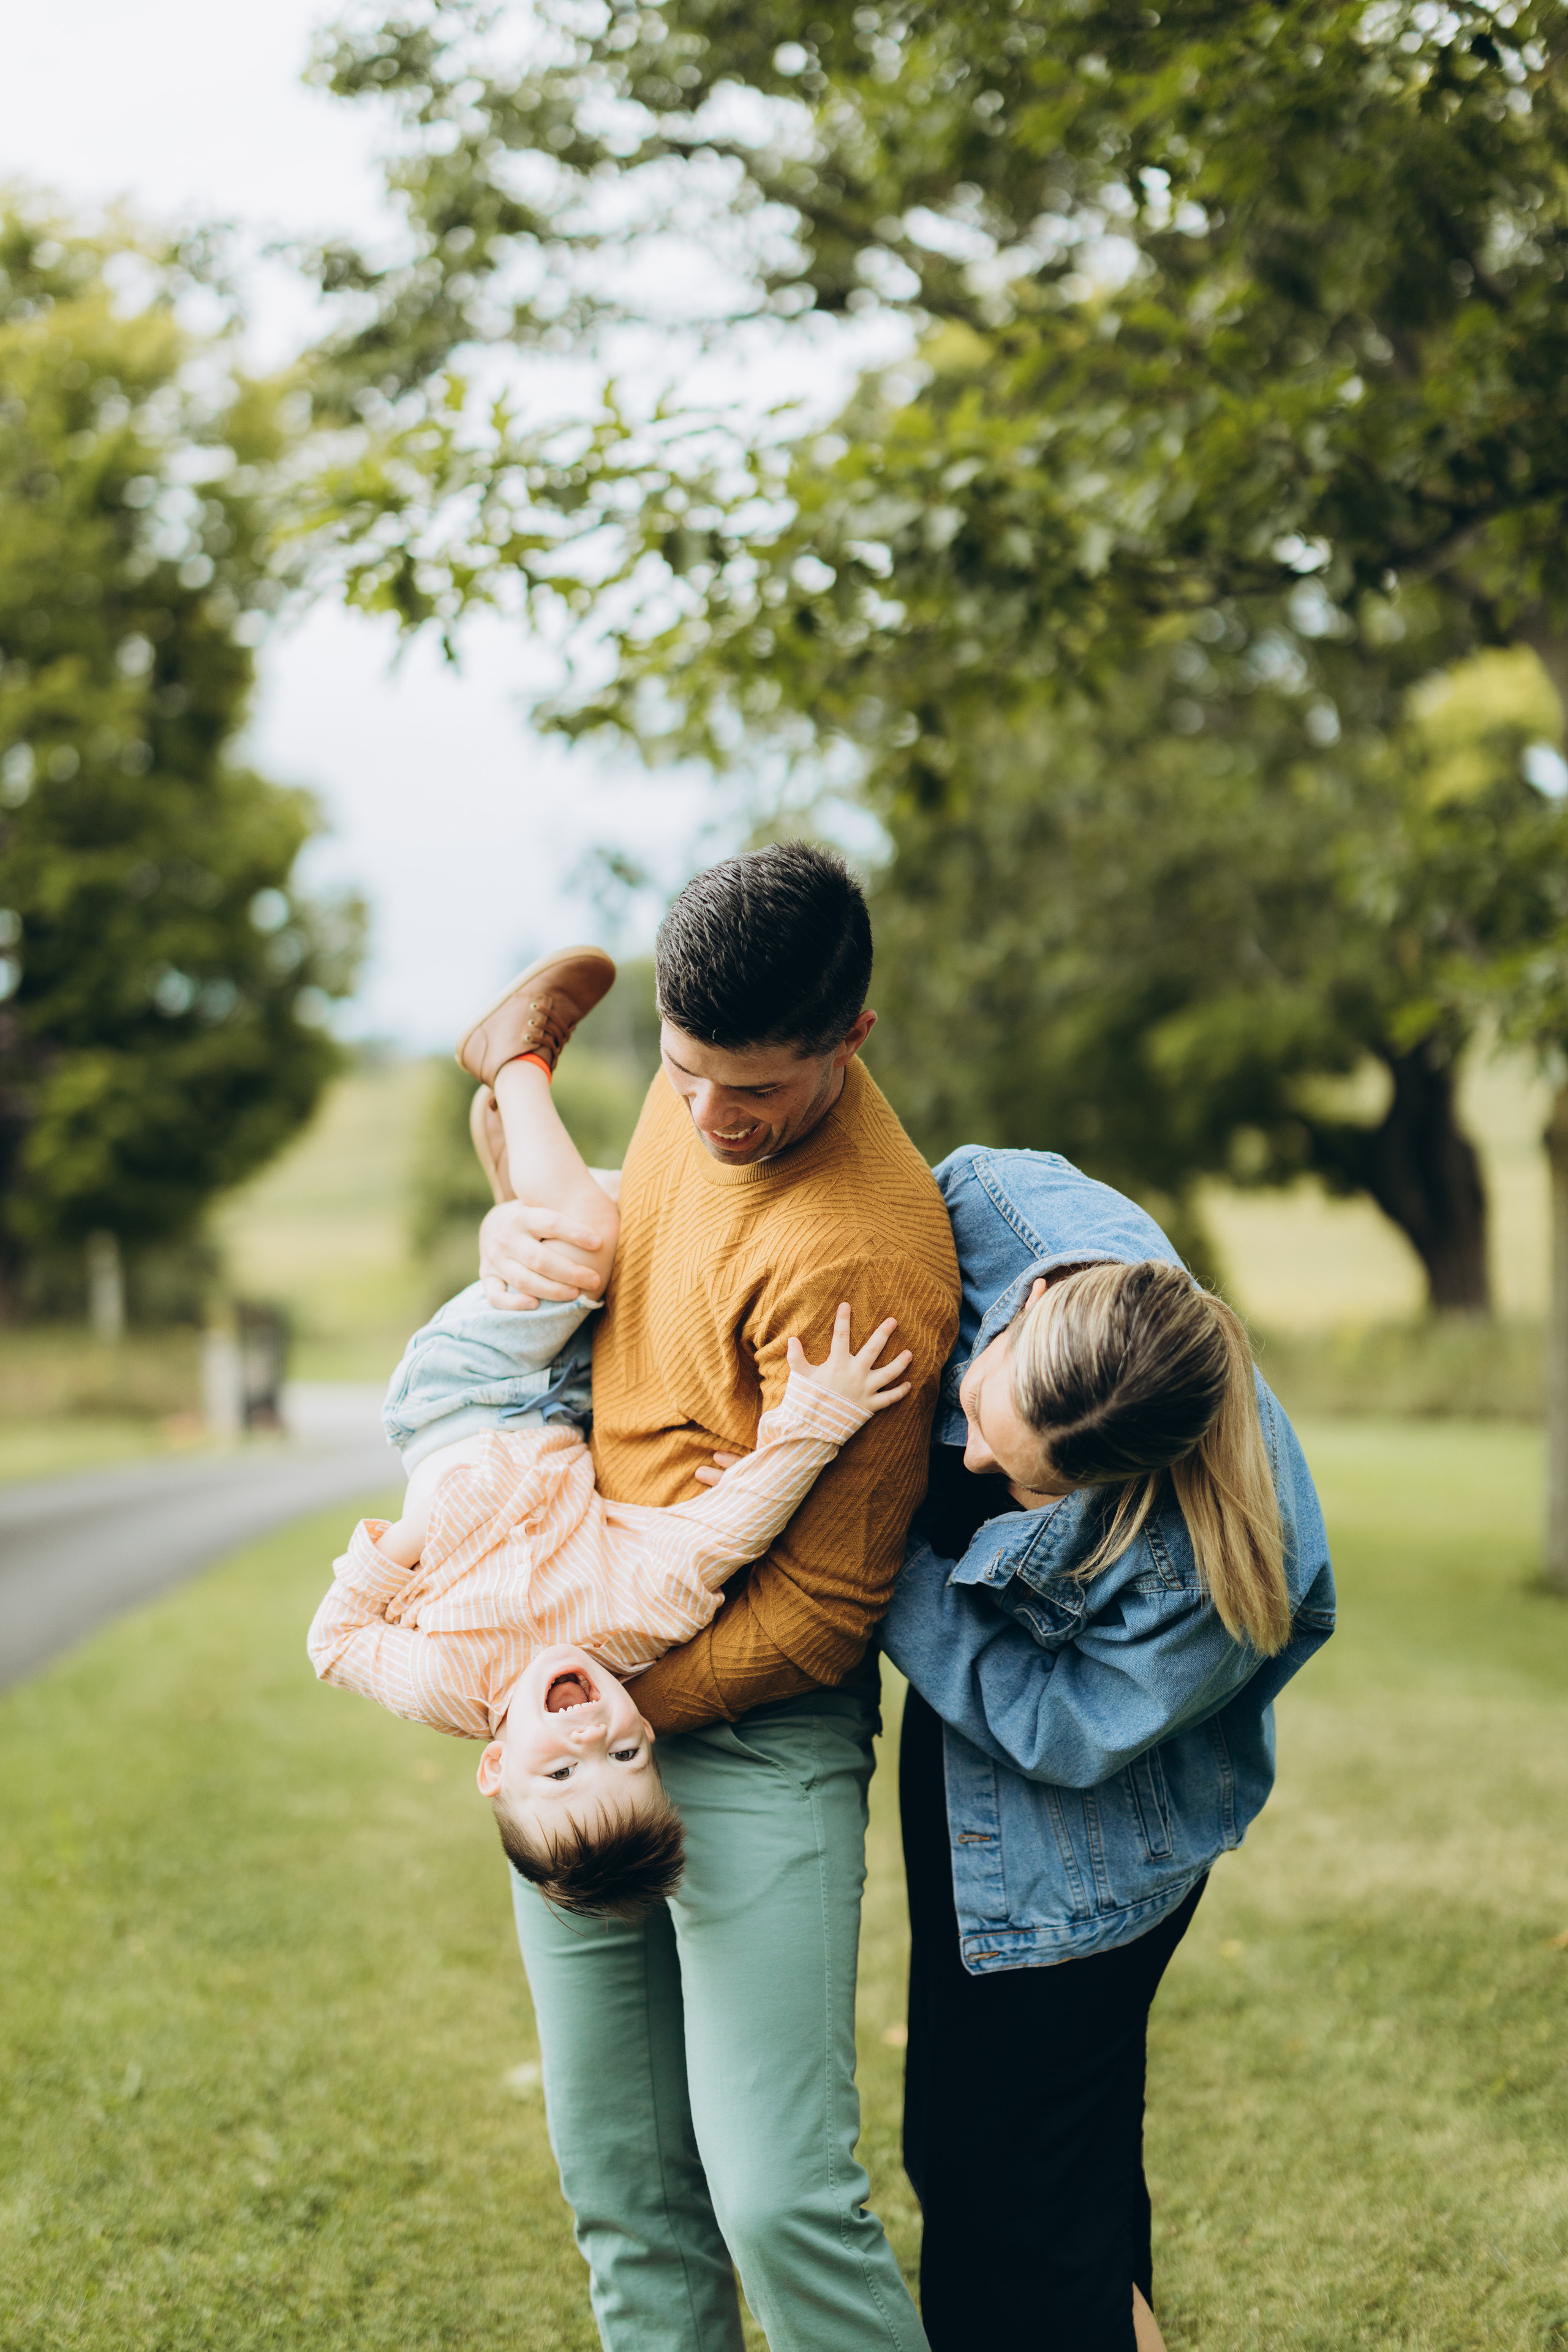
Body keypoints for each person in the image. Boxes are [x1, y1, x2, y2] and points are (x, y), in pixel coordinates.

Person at [476, 845, 961, 2352]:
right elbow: (622, 1280)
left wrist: (590, 1702)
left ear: (849, 1039)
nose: (705, 1117)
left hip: (751, 1728)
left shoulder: (861, 1255)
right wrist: (512, 1231)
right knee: (623, 2187)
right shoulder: (700, 1077)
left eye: (751, 1090)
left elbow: (821, 1615)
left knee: (775, 2200)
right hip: (585, 1693)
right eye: (681, 1073)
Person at [307, 947, 914, 1920]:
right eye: (627, 1754)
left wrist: (403, 1545)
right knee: (647, 1248)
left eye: (560, 1773)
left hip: (464, 1399)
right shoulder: (636, 1621)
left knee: (586, 1240)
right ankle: (525, 1193)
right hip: (567, 1405)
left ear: (495, 1766)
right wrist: (819, 1418)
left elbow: (334, 1643)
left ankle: (515, 1060)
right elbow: (725, 1531)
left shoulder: (448, 1682)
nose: (590, 1734)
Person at [878, 1147, 1336, 2352]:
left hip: (1087, 1853)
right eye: (985, 1414)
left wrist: (872, 1560)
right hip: (969, 1778)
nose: (973, 1461)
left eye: (1020, 1483)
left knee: (1014, 2197)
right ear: (1033, 1304)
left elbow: (1057, 1728)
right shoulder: (1001, 1208)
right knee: (1017, 2173)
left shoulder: (1211, 1566)